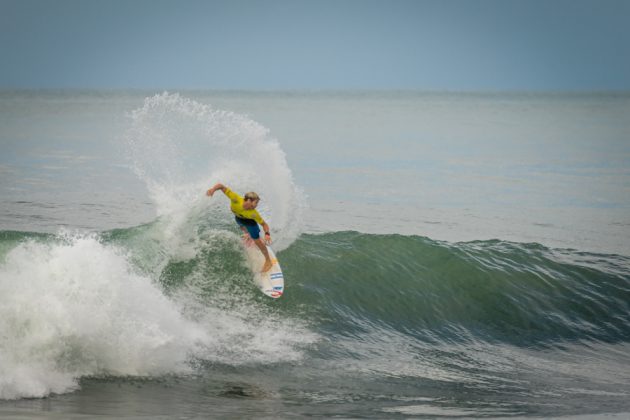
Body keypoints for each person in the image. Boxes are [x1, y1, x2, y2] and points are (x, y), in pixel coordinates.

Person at [206, 183, 273, 272]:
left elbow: (264, 224)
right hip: (239, 218)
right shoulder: (235, 199)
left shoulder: (253, 213)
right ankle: (248, 234)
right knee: (242, 227)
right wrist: (213, 189)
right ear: (248, 200)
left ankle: (268, 261)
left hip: (250, 223)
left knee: (257, 241)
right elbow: (221, 186)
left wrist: (267, 234)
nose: (256, 206)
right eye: (255, 203)